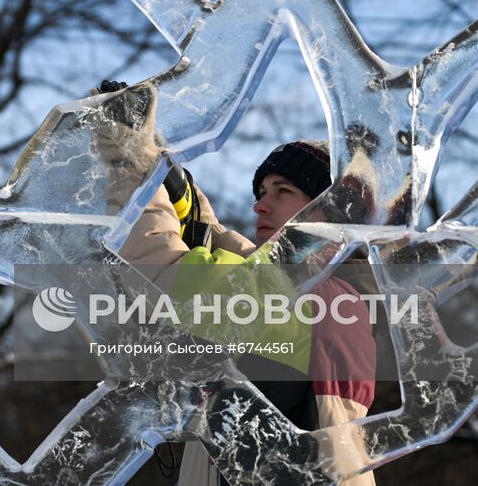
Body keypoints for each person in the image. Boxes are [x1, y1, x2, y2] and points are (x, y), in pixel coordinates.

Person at [95, 86, 375, 485]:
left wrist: (129, 160)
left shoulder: (309, 297)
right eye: (261, 192)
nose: (260, 204)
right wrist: (194, 210)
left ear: (327, 212)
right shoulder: (338, 298)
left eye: (284, 192)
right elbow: (238, 268)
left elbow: (156, 271)